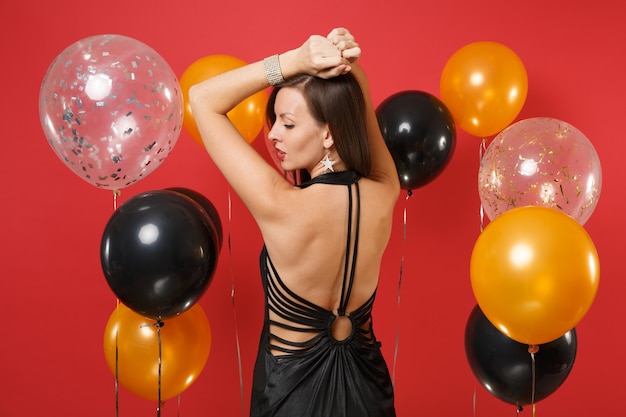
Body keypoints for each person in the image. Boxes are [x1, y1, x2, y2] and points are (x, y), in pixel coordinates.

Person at [189, 27, 400, 417]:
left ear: (329, 134)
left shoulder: (280, 204)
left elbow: (202, 99)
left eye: (287, 123)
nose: (273, 135)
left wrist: (294, 62)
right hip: (368, 391)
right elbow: (359, 102)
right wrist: (347, 64)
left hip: (291, 398)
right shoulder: (386, 191)